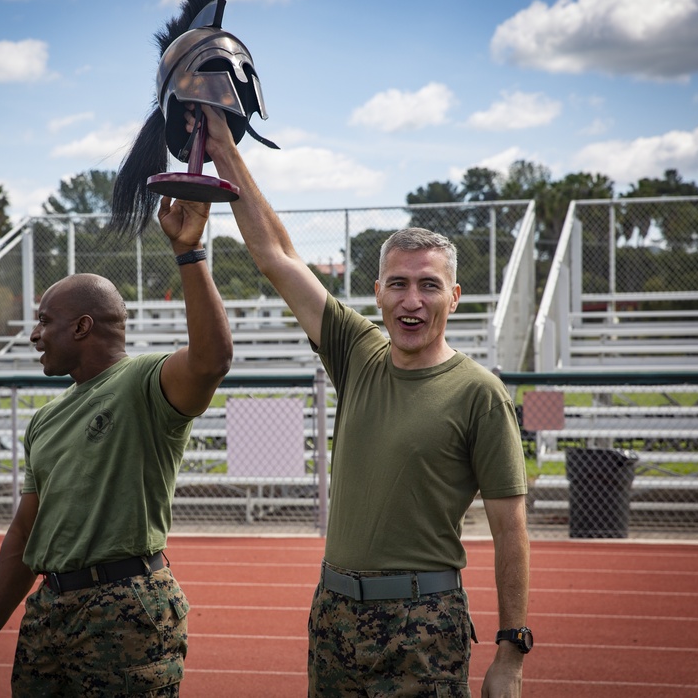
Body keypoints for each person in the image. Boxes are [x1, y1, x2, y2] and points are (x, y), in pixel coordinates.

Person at [193, 104, 531, 697]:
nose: (412, 299)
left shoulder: (480, 392)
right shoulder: (358, 353)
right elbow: (277, 256)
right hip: (334, 613)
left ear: (453, 295)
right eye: (398, 283)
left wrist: (510, 654)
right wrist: (222, 145)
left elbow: (511, 529)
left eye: (429, 285)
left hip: (424, 626)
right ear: (377, 292)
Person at [0, 196, 233, 696]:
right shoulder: (43, 420)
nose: (34, 335)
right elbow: (24, 532)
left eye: (45, 321)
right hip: (50, 610)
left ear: (83, 326)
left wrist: (189, 254)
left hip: (126, 607)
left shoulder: (144, 381)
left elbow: (211, 360)